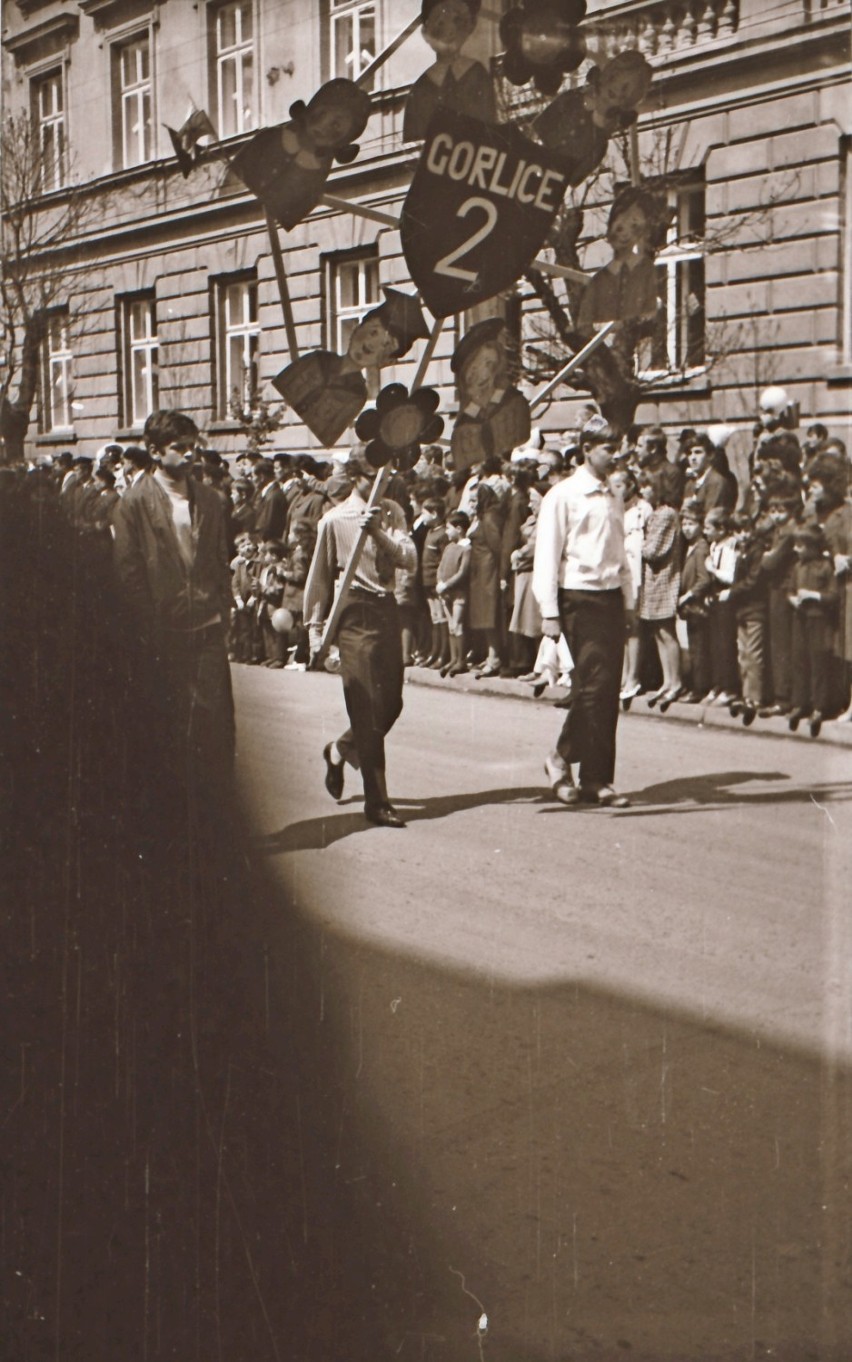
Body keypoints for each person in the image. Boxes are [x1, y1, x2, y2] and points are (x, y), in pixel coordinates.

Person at [113, 409, 235, 786]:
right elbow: (129, 571)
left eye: (192, 447)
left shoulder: (211, 500)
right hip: (164, 627)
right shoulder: (133, 503)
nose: (189, 455)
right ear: (154, 451)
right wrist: (145, 624)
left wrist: (223, 607)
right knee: (168, 723)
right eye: (178, 448)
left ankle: (215, 809)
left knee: (214, 720)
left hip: (207, 623)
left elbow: (219, 558)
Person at [304, 454, 417, 828]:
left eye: (387, 477)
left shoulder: (393, 512)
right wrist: (315, 631)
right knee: (366, 707)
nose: (381, 484)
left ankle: (339, 750)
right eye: (373, 477)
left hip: (386, 608)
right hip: (354, 611)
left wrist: (379, 534)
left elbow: (409, 559)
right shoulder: (334, 520)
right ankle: (377, 801)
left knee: (392, 703)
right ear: (355, 477)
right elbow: (320, 578)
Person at [532, 422, 634, 808]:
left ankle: (596, 778)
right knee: (591, 687)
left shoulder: (612, 495)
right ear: (587, 448)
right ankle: (559, 759)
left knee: (608, 691)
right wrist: (550, 613)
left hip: (609, 599)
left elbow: (619, 553)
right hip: (577, 598)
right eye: (608, 447)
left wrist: (629, 601)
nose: (615, 453)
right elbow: (547, 556)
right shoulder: (564, 495)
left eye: (617, 446)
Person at [403, 0, 495, 142]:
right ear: (425, 32)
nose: (450, 30)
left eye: (458, 21)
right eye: (440, 24)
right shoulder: (421, 89)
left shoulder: (476, 74)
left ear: (471, 25)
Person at [787, 522, 838, 737]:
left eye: (800, 546)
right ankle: (800, 703)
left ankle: (819, 706)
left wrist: (813, 596)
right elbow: (790, 591)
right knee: (800, 660)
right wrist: (793, 600)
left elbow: (834, 596)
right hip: (801, 619)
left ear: (812, 547)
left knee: (818, 663)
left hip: (819, 620)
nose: (796, 550)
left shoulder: (825, 567)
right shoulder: (797, 567)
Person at [435, 510, 472, 676]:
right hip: (446, 593)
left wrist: (447, 584)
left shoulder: (466, 548)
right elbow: (441, 566)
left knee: (457, 625)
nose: (446, 532)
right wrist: (439, 583)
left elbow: (462, 572)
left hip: (458, 593)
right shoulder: (449, 547)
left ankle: (461, 660)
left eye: (449, 528)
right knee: (451, 626)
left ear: (459, 529)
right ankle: (453, 658)